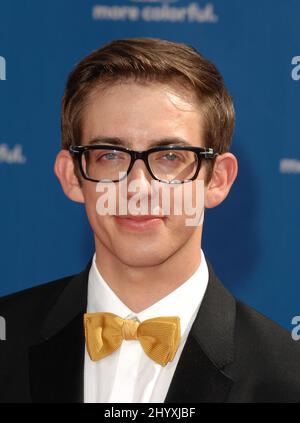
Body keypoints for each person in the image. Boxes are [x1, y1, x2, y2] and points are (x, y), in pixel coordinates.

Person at [0, 38, 300, 403]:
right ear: (71, 175)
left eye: (171, 156)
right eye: (110, 155)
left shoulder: (288, 378)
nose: (138, 187)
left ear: (217, 180)